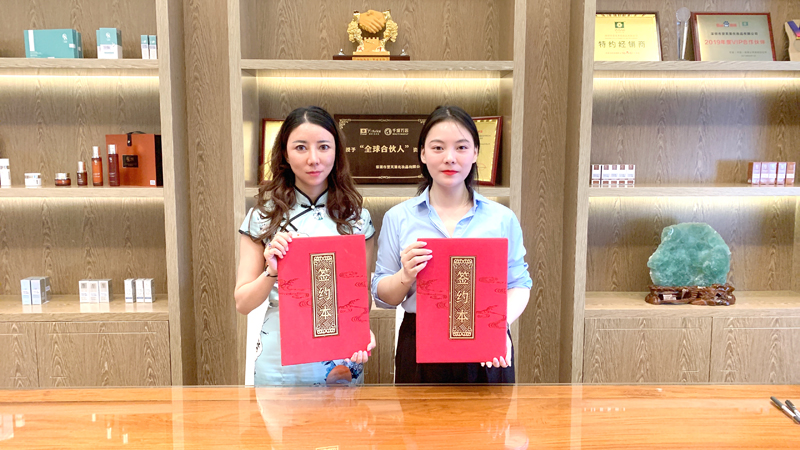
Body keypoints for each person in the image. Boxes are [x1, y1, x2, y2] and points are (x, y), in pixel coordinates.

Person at [372, 105, 532, 383]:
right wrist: (405, 275)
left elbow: (519, 283)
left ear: (476, 153)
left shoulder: (502, 218)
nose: (450, 158)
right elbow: (382, 296)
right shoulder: (398, 217)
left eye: (461, 147)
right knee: (418, 413)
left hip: (486, 343)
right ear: (423, 154)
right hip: (419, 344)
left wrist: (497, 327)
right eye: (438, 148)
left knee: (490, 413)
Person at [235, 106, 376, 386]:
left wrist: (361, 332)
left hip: (341, 357)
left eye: (324, 147)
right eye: (301, 147)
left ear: (336, 153)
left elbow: (362, 298)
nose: (314, 159)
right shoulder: (262, 217)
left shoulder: (357, 219)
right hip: (280, 359)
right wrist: (271, 272)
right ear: (285, 154)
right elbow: (243, 303)